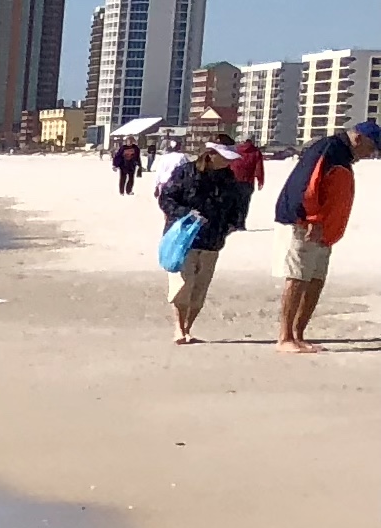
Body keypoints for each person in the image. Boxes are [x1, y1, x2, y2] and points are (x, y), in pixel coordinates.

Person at [272, 120, 376, 355]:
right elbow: (308, 185)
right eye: (371, 147)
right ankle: (285, 337)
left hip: (325, 232)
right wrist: (312, 219)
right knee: (298, 277)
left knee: (315, 280)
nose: (371, 153)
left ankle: (298, 335)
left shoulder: (343, 156)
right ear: (358, 138)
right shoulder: (328, 149)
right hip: (307, 225)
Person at [154, 135, 252, 345]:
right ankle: (179, 329)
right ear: (211, 154)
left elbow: (236, 207)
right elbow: (166, 198)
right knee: (183, 284)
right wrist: (186, 214)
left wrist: (231, 225)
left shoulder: (229, 179)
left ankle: (188, 328)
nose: (228, 162)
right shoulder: (186, 172)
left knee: (200, 289)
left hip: (213, 240)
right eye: (224, 157)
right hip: (183, 240)